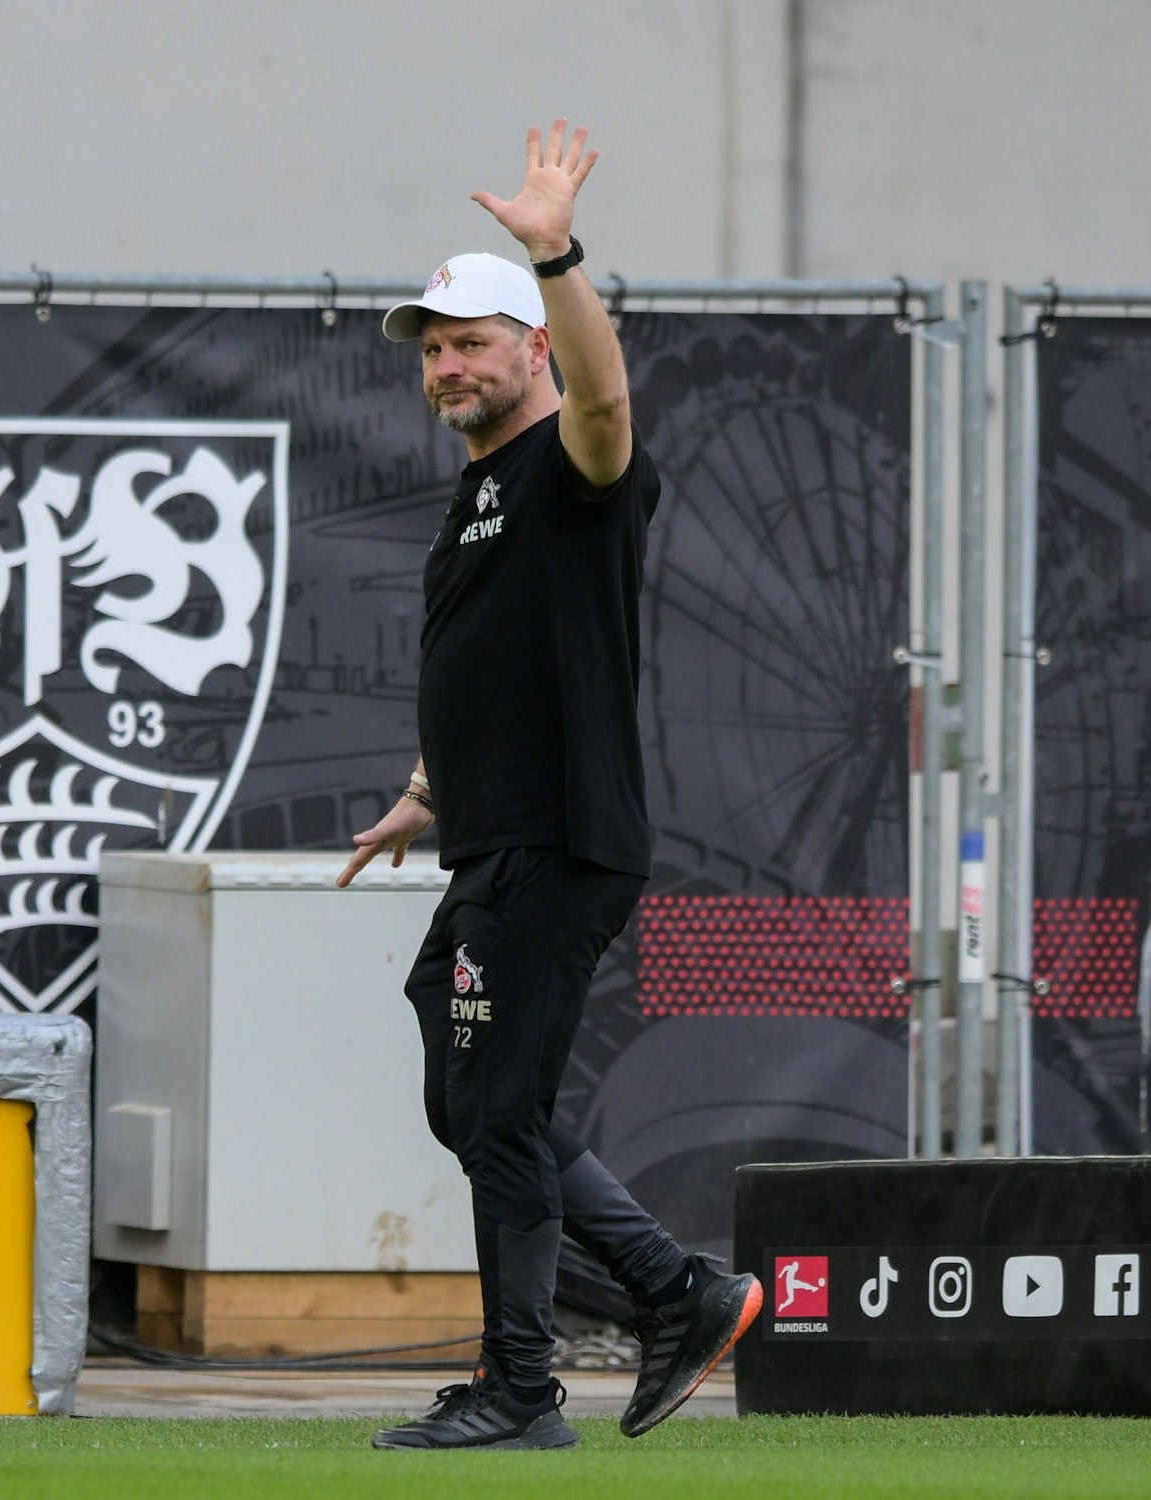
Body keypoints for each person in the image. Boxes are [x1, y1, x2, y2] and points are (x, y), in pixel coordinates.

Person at [337, 119, 762, 1450]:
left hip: (560, 843)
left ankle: (526, 1392)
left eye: (472, 339)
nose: (447, 364)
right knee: (469, 1096)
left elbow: (609, 403)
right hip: (496, 839)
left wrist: (556, 252)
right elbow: (490, 667)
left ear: (532, 346)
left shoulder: (575, 470)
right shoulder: (479, 496)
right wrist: (429, 785)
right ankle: (670, 1287)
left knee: (497, 1112)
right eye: (433, 348)